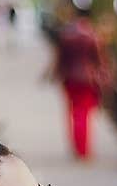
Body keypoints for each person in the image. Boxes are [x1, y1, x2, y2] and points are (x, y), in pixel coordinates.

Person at [46, 11, 112, 159]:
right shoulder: (93, 35)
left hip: (69, 79)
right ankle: (83, 149)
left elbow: (60, 58)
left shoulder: (66, 34)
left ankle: (76, 146)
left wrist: (54, 74)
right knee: (84, 114)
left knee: (73, 112)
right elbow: (99, 60)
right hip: (87, 81)